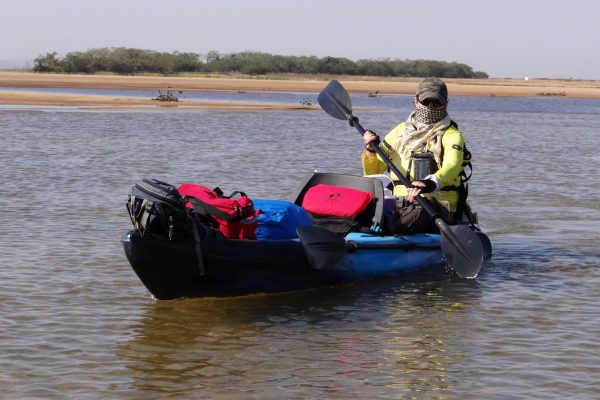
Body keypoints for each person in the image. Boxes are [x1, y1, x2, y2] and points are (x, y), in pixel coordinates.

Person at [362, 77, 470, 233]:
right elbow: (372, 172)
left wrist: (430, 182)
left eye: (437, 102)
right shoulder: (399, 132)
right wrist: (371, 151)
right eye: (426, 102)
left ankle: (391, 230)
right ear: (416, 102)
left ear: (446, 104)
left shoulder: (452, 135)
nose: (430, 107)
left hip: (437, 205)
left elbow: (452, 166)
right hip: (401, 203)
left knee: (422, 207)